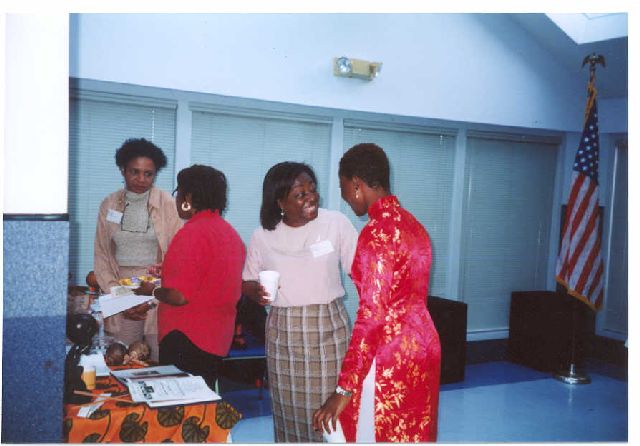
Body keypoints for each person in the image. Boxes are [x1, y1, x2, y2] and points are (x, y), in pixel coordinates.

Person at [313, 143, 441, 442]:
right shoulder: (415, 226)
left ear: (357, 185)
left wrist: (344, 389)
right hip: (423, 347)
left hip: (389, 355)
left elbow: (372, 317)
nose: (345, 197)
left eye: (344, 188)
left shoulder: (376, 233)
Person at [242, 161, 359, 443]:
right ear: (280, 201)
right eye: (300, 194)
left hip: (327, 330)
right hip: (283, 333)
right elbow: (247, 281)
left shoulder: (335, 223)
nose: (311, 197)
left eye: (312, 189)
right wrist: (256, 292)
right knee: (289, 414)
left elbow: (361, 271)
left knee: (330, 416)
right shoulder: (262, 235)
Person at [135, 164, 245, 390]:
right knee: (201, 403)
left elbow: (179, 296)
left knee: (178, 404)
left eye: (178, 192)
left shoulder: (191, 233)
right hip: (216, 339)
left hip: (186, 338)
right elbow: (209, 276)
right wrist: (168, 270)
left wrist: (151, 290)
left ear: (188, 197)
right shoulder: (230, 234)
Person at [93, 138, 183, 362]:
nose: (141, 179)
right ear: (123, 170)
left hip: (157, 290)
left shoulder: (168, 204)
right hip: (120, 291)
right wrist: (121, 298)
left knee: (157, 360)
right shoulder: (109, 204)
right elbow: (102, 255)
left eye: (148, 174)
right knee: (121, 359)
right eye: (135, 172)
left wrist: (152, 297)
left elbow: (177, 256)